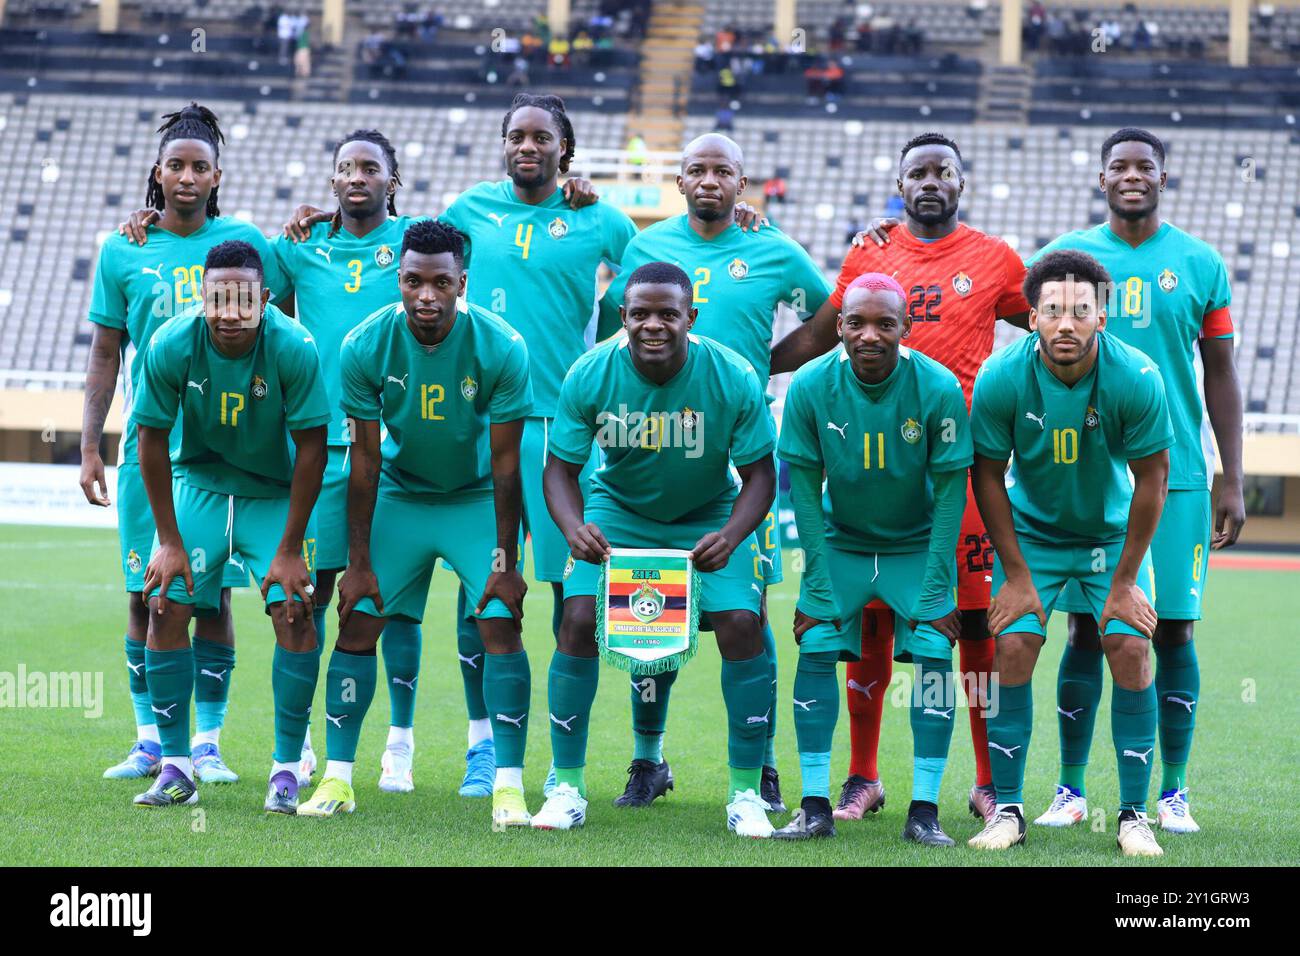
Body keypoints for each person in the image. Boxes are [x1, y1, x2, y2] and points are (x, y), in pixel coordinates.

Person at [281, 93, 630, 798]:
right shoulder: (466, 211)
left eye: (542, 137)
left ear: (565, 148)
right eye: (516, 135)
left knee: (572, 601)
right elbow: (396, 229)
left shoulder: (600, 217)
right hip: (463, 428)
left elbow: (652, 271)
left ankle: (579, 768)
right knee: (427, 597)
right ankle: (436, 749)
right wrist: (329, 215)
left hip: (559, 426)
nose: (527, 146)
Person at [770, 132, 1030, 823]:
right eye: (919, 172)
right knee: (872, 621)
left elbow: (1049, 332)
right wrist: (750, 363)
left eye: (945, 171)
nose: (932, 182)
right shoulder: (870, 250)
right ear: (900, 182)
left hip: (958, 472)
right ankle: (861, 777)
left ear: (962, 183)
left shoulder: (997, 258)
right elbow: (825, 334)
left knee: (970, 623)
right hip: (872, 466)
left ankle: (984, 778)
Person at [598, 133, 833, 813]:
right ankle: (649, 759)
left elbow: (828, 317)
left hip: (739, 449)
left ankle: (758, 764)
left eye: (722, 170)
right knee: (651, 615)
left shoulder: (773, 249)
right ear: (679, 181)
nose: (709, 179)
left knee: (749, 614)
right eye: (697, 169)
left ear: (742, 180)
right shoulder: (648, 249)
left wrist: (766, 367)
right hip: (659, 446)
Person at [1029, 128, 1244, 834]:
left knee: (1173, 632)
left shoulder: (1200, 263)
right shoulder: (1067, 258)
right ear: (1101, 179)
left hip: (1175, 477)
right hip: (1084, 477)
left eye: (1143, 166)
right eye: (1118, 165)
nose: (1131, 175)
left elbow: (1220, 372)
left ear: (1162, 176)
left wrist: (1230, 477)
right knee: (1088, 634)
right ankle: (1069, 788)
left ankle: (1172, 792)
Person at [297, 221, 534, 828]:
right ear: (398, 280)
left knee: (500, 625)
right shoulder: (364, 345)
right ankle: (338, 778)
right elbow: (366, 462)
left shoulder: (502, 346)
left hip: (476, 498)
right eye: (412, 281)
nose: (425, 295)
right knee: (358, 620)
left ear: (462, 283)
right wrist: (358, 563)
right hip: (401, 495)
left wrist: (506, 564)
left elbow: (508, 467)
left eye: (439, 283)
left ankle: (508, 786)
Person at [532, 262, 777, 836]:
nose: (653, 325)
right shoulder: (591, 373)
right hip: (620, 511)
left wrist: (734, 535)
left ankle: (746, 792)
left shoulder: (732, 374)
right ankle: (564, 785)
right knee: (575, 616)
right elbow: (559, 470)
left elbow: (761, 475)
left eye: (669, 313)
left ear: (690, 317)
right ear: (622, 317)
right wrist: (573, 527)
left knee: (742, 622)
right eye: (640, 313)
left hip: (710, 513)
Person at [84, 104, 287, 787]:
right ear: (157, 173)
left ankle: (207, 743)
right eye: (176, 165)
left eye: (200, 166)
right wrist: (89, 446)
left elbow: (289, 310)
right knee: (147, 594)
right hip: (150, 449)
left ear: (217, 175)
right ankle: (149, 739)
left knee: (214, 600)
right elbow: (106, 352)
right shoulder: (125, 248)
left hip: (223, 454)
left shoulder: (244, 244)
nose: (188, 176)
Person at [968, 249, 1173, 856]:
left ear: (1101, 319)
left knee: (1132, 648)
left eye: (1081, 312)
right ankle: (1007, 811)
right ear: (1032, 316)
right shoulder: (1003, 375)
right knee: (1011, 645)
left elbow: (1153, 481)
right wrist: (1015, 575)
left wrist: (1126, 581)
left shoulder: (1136, 377)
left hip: (1110, 537)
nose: (1066, 324)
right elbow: (986, 476)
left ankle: (1134, 815)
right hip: (1032, 534)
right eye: (1053, 311)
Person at [129, 240, 329, 812]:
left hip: (271, 494)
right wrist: (168, 541)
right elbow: (150, 440)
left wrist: (290, 548)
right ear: (203, 296)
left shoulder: (294, 346)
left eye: (244, 299)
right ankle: (175, 767)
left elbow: (313, 447)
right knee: (163, 599)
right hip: (201, 487)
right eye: (218, 298)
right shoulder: (171, 342)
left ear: (265, 298)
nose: (230, 312)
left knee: (294, 607)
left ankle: (287, 769)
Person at [773, 273, 971, 844]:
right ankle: (813, 808)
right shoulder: (809, 384)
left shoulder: (936, 387)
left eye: (885, 323)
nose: (869, 335)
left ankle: (924, 813)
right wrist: (814, 580)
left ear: (906, 328)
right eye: (856, 322)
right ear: (838, 326)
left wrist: (936, 585)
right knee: (813, 645)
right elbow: (804, 492)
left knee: (935, 648)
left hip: (913, 546)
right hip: (843, 544)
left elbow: (951, 494)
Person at [269, 129, 429, 793]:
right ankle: (299, 743)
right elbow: (267, 313)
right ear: (331, 180)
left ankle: (401, 743)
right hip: (322, 447)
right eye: (345, 168)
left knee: (391, 603)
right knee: (306, 598)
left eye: (370, 167)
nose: (356, 176)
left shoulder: (420, 237)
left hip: (400, 445)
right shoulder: (299, 245)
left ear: (392, 180)